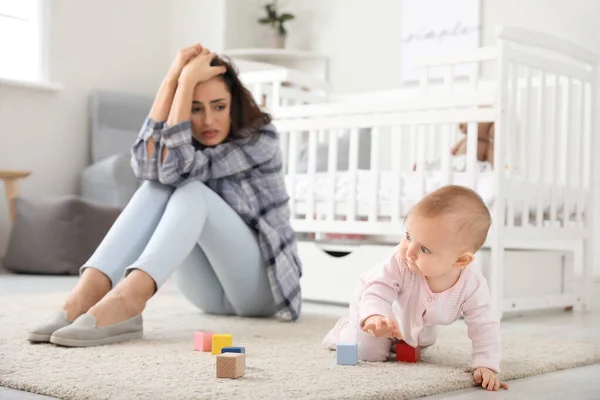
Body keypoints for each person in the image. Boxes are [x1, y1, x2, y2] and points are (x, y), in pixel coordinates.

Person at [28, 44, 302, 347]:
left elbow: (177, 172)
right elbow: (148, 167)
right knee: (155, 184)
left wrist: (185, 84)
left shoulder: (260, 137)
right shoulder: (187, 139)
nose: (208, 120)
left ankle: (128, 299)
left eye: (219, 106)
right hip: (208, 294)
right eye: (195, 108)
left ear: (233, 105)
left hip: (261, 289)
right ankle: (88, 290)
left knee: (189, 189)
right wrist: (173, 80)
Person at [322, 185, 509, 391]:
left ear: (460, 260)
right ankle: (346, 329)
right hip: (373, 296)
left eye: (425, 249)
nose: (409, 251)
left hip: (413, 314)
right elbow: (379, 290)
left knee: (421, 340)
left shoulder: (472, 285)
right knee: (370, 353)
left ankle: (394, 337)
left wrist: (486, 364)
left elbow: (485, 324)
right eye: (408, 236)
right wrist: (374, 316)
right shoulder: (400, 261)